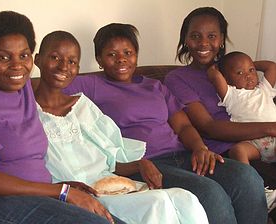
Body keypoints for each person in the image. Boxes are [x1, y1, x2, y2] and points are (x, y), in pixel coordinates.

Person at [63, 22, 267, 223]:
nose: (121, 60)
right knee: (210, 194)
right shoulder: (91, 85)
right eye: (112, 54)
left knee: (246, 177)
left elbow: (183, 126)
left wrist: (200, 148)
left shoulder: (154, 86)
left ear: (136, 54)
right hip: (144, 164)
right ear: (99, 59)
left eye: (128, 52)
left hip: (183, 155)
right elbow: (43, 86)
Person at [34, 30, 208, 224]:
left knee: (185, 199)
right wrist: (60, 188)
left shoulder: (82, 106)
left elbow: (110, 157)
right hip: (73, 192)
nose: (64, 66)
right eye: (55, 57)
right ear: (37, 60)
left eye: (72, 61)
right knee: (159, 203)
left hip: (107, 184)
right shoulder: (28, 114)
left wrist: (140, 163)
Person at [0, 11, 125, 224]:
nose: (17, 65)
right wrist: (62, 191)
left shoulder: (23, 87)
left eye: (24, 55)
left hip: (40, 195)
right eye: (4, 57)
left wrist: (61, 186)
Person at [164, 6, 272, 219]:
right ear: (186, 40)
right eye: (195, 36)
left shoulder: (236, 68)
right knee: (246, 179)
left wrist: (248, 64)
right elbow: (208, 127)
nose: (204, 43)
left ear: (221, 39)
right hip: (224, 152)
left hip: (263, 143)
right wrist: (271, 128)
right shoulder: (177, 78)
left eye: (211, 36)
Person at [207, 51, 276, 164]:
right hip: (253, 142)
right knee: (237, 151)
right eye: (239, 72)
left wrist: (249, 64)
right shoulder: (230, 94)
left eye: (251, 70)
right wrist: (213, 69)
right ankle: (250, 179)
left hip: (274, 133)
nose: (248, 75)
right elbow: (215, 76)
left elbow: (272, 66)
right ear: (226, 79)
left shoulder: (264, 89)